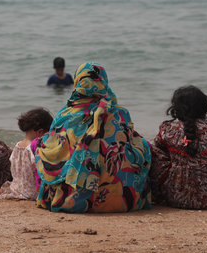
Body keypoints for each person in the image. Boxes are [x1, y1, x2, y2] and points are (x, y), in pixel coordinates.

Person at [33, 62, 151, 213]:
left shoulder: (67, 114)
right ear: (103, 81)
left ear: (78, 82)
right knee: (142, 144)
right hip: (124, 199)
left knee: (42, 144)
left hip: (74, 203)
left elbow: (55, 153)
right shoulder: (120, 113)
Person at [0, 108, 53, 200]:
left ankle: (3, 191)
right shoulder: (36, 149)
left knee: (13, 187)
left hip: (18, 188)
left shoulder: (17, 146)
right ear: (40, 132)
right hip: (32, 193)